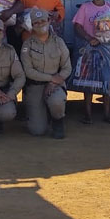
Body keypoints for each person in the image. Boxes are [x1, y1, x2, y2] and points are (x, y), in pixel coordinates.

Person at [20, 9, 71, 139]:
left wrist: (54, 82)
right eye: (36, 22)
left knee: (56, 101)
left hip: (56, 86)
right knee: (37, 130)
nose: (40, 24)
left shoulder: (59, 42)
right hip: (35, 87)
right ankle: (41, 116)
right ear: (32, 25)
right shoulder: (27, 45)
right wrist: (51, 78)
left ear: (49, 21)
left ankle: (58, 122)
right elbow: (28, 71)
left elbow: (67, 68)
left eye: (43, 21)